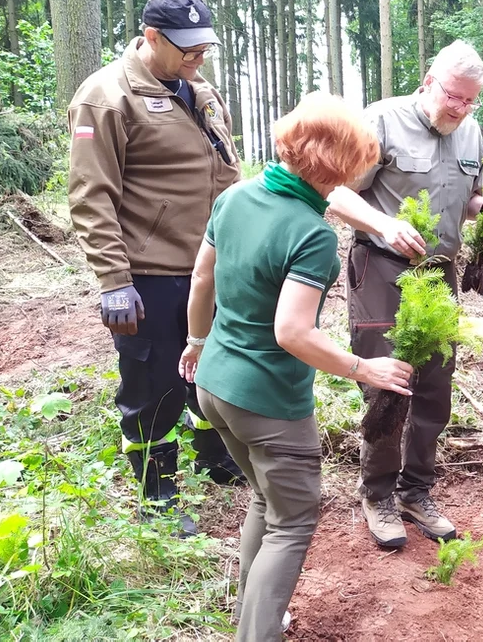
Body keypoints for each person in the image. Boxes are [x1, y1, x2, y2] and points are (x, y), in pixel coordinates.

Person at [180, 92, 421, 641]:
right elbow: (291, 332)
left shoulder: (237, 197)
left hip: (216, 383)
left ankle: (252, 614)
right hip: (269, 402)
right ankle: (255, 634)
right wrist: (366, 368)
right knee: (292, 523)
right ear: (337, 166)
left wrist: (197, 341)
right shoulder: (312, 236)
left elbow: (201, 281)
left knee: (266, 500)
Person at [67, 0, 244, 536]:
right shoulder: (105, 97)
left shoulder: (200, 89)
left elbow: (225, 168)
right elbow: (91, 195)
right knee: (154, 383)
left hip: (210, 263)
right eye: (187, 48)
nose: (198, 57)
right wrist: (114, 281)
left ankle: (215, 458)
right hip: (151, 271)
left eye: (204, 46)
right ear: (150, 38)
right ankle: (156, 494)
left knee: (211, 369)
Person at [339, 40, 483, 548]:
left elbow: (467, 198)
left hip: (439, 273)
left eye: (471, 101)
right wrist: (384, 226)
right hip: (382, 269)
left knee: (435, 386)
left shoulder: (470, 133)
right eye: (454, 96)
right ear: (429, 80)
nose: (462, 108)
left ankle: (416, 491)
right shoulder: (380, 122)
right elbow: (338, 192)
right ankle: (378, 494)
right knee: (390, 382)